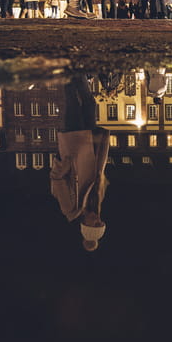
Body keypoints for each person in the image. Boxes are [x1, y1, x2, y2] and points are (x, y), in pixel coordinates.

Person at [50, 74, 110, 252]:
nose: (99, 219)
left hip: (74, 145)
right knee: (90, 104)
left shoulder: (70, 209)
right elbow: (99, 175)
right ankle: (79, 72)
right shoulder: (96, 202)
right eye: (101, 223)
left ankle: (67, 70)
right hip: (89, 143)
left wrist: (67, 163)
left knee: (73, 104)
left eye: (96, 223)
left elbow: (56, 180)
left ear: (86, 225)